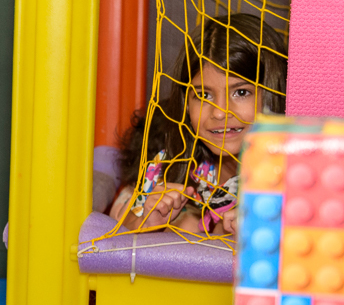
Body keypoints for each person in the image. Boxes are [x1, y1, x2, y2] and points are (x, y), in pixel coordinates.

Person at [110, 13, 288, 234]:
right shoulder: (166, 166)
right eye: (204, 95)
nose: (220, 112)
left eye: (241, 92)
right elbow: (117, 233)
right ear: (186, 102)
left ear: (274, 94)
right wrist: (143, 223)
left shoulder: (294, 178)